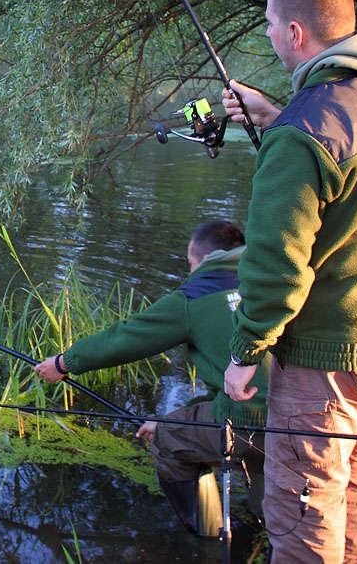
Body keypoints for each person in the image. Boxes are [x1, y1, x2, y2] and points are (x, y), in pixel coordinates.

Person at [221, 0, 357, 563]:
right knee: (348, 493)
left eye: (267, 24)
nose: (265, 34)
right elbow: (352, 178)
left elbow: (275, 268)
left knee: (303, 513)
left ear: (294, 33)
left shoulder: (300, 137)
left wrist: (245, 352)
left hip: (328, 360)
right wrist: (276, 115)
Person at [34, 220, 268, 538]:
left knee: (168, 442)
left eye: (189, 262)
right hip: (311, 413)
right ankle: (265, 523)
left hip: (248, 419)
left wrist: (63, 363)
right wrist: (171, 418)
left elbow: (128, 337)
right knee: (276, 491)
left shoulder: (194, 297)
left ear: (201, 258)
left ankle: (210, 533)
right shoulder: (275, 280)